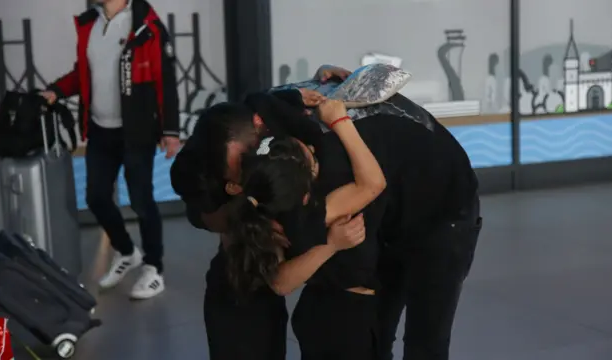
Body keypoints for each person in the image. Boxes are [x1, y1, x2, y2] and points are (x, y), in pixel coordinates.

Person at [179, 83, 482, 360]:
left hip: (443, 209)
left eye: (241, 178)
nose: (244, 184)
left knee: (425, 342)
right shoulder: (273, 138)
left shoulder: (321, 171)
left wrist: (343, 108)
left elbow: (370, 186)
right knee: (380, 331)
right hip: (384, 220)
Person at [170, 67, 360, 360]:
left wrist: (310, 88)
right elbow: (202, 216)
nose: (252, 169)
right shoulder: (205, 175)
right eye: (238, 171)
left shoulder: (264, 132)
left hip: (263, 294)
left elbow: (264, 102)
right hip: (239, 292)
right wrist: (239, 215)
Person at [224, 99, 386, 359]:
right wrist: (340, 122)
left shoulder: (270, 205)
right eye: (312, 163)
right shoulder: (314, 212)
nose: (313, 149)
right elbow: (373, 184)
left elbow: (261, 101)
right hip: (341, 321)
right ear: (302, 195)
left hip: (325, 310)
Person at [40, 0, 180, 299]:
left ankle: (154, 268)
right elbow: (83, 73)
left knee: (142, 201)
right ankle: (128, 252)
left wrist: (170, 130)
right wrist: (56, 90)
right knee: (96, 196)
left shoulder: (147, 25)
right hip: (100, 129)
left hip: (137, 130)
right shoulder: (90, 24)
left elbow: (165, 80)